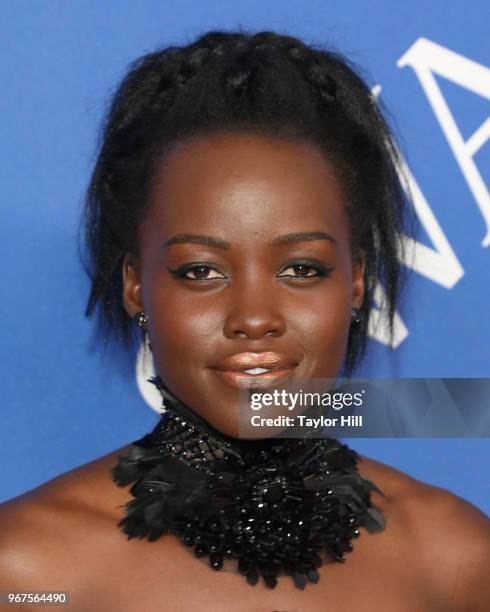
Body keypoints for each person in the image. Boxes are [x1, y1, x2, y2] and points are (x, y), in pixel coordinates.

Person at [1, 29, 489, 611]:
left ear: (356, 281)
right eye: (201, 272)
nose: (254, 318)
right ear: (136, 285)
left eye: (302, 269)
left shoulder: (456, 557)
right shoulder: (27, 569)